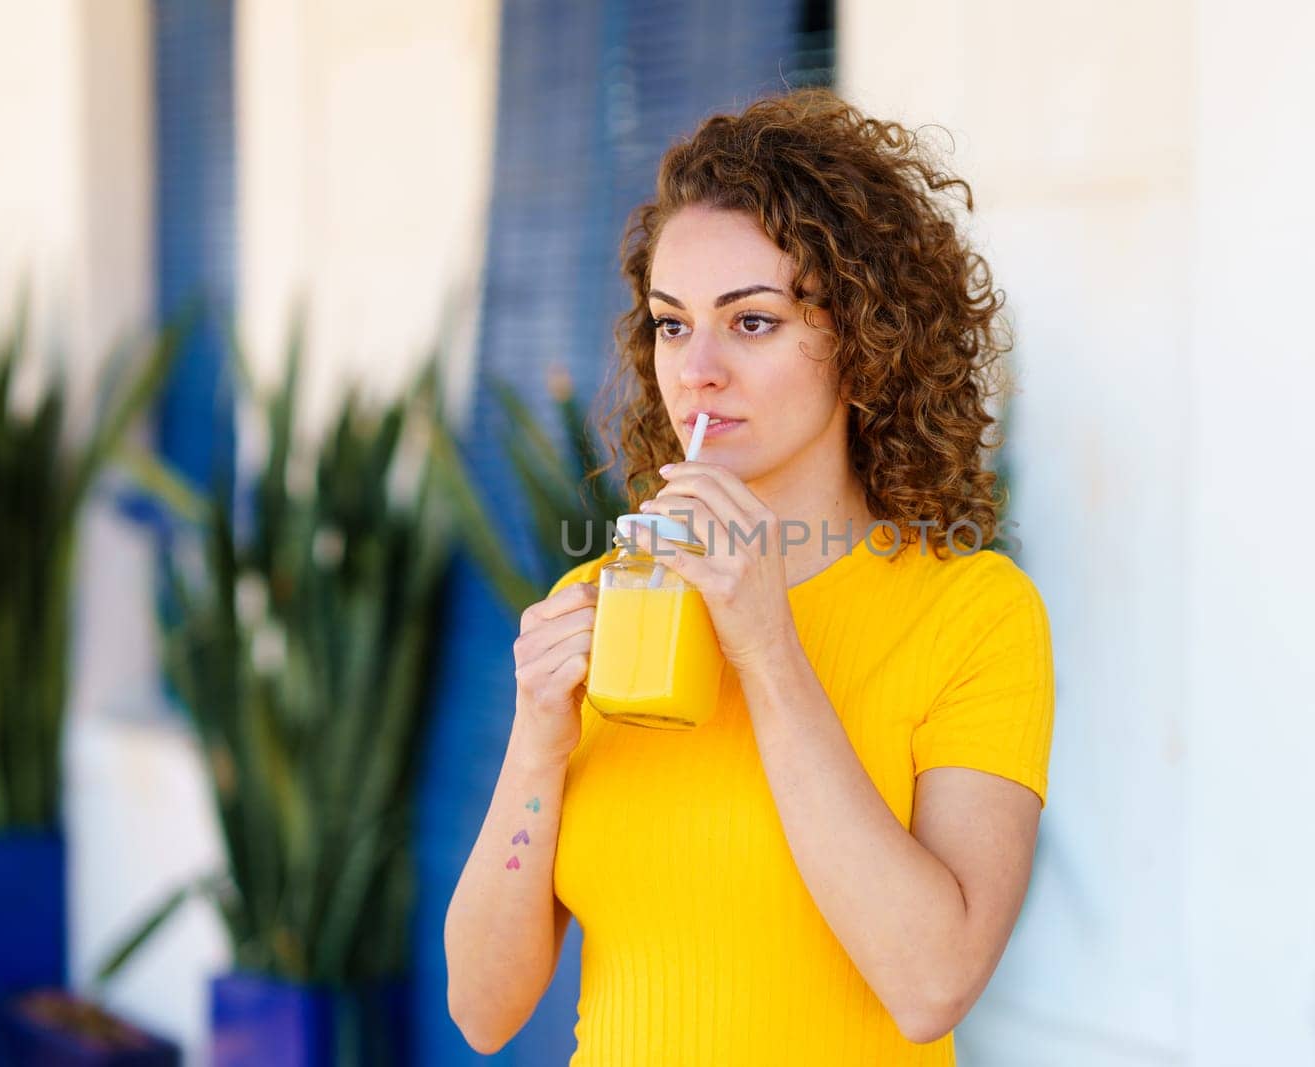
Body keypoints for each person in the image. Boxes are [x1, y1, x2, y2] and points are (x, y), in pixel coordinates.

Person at [445, 88, 1055, 1065]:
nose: (698, 369)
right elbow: (481, 1009)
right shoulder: (607, 598)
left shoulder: (972, 613)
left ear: (863, 342)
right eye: (672, 324)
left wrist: (769, 648)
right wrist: (535, 743)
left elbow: (932, 981)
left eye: (754, 322)